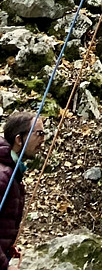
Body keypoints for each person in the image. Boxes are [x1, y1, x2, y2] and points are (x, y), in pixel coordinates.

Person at [0, 112, 45, 270]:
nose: (43, 140)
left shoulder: (11, 172)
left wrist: (6, 248)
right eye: (39, 133)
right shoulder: (3, 175)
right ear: (19, 140)